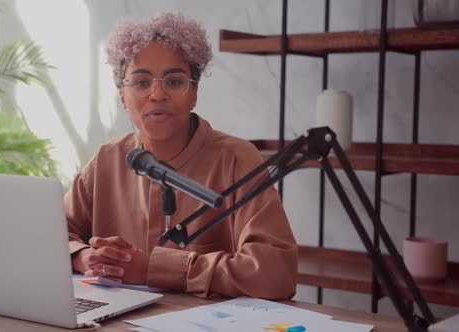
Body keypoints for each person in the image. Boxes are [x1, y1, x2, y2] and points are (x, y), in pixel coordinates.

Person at [65, 12, 297, 300]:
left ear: (194, 93)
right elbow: (51, 237)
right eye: (140, 82)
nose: (157, 93)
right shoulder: (105, 160)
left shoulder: (237, 159)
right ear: (122, 97)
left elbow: (276, 274)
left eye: (174, 81)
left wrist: (156, 268)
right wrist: (86, 258)